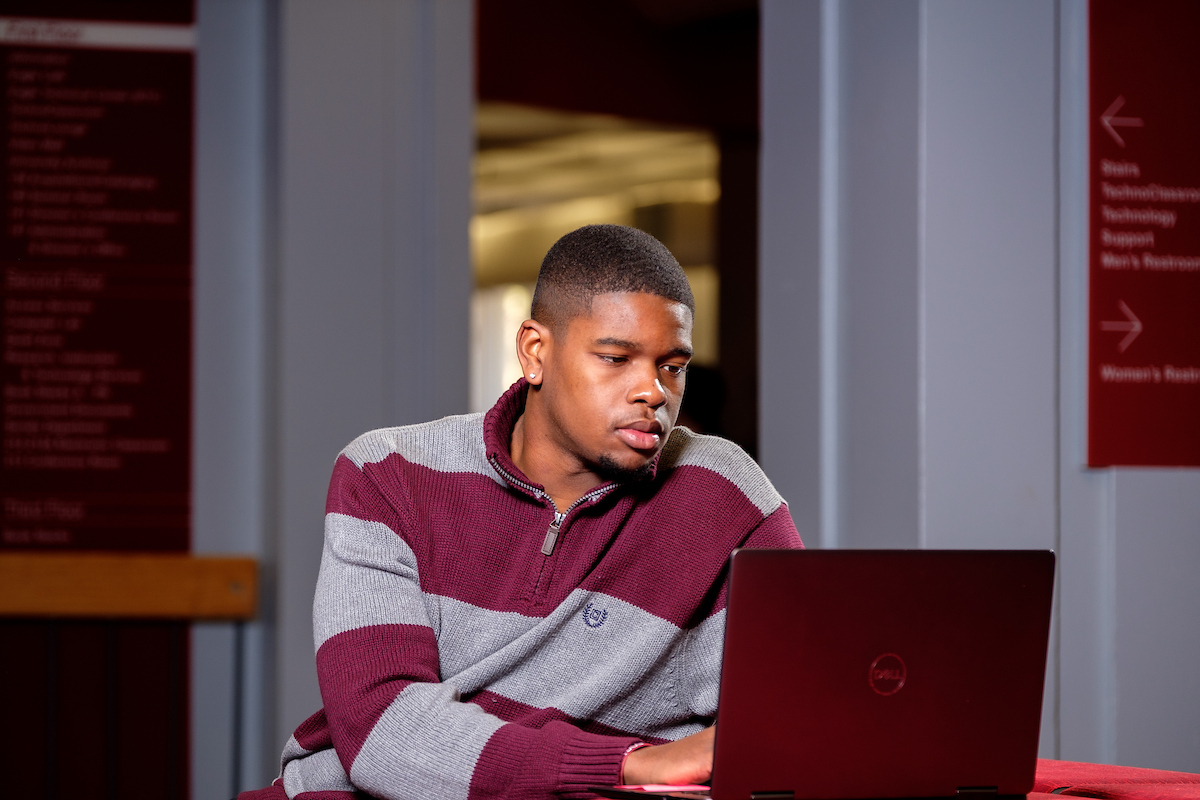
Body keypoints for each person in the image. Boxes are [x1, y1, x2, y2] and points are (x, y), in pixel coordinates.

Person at [241, 224, 802, 800]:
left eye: (672, 366)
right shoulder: (389, 474)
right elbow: (383, 734)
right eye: (616, 358)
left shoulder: (725, 497)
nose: (654, 392)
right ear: (536, 352)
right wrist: (625, 765)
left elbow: (794, 713)